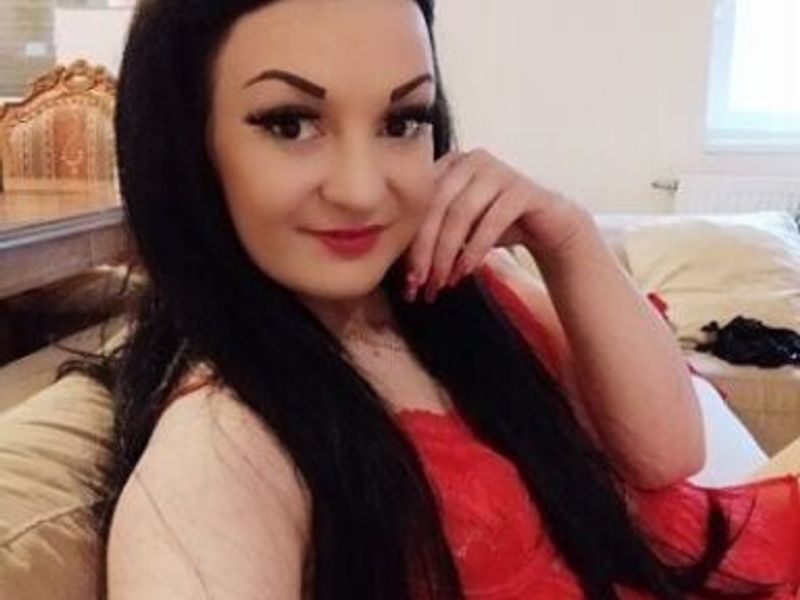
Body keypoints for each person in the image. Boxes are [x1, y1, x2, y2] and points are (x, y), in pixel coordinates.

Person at [64, 0, 800, 598]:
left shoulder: (463, 289)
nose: (362, 190)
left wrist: (568, 236)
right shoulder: (219, 451)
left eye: (401, 122)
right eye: (290, 124)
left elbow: (667, 454)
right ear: (186, 143)